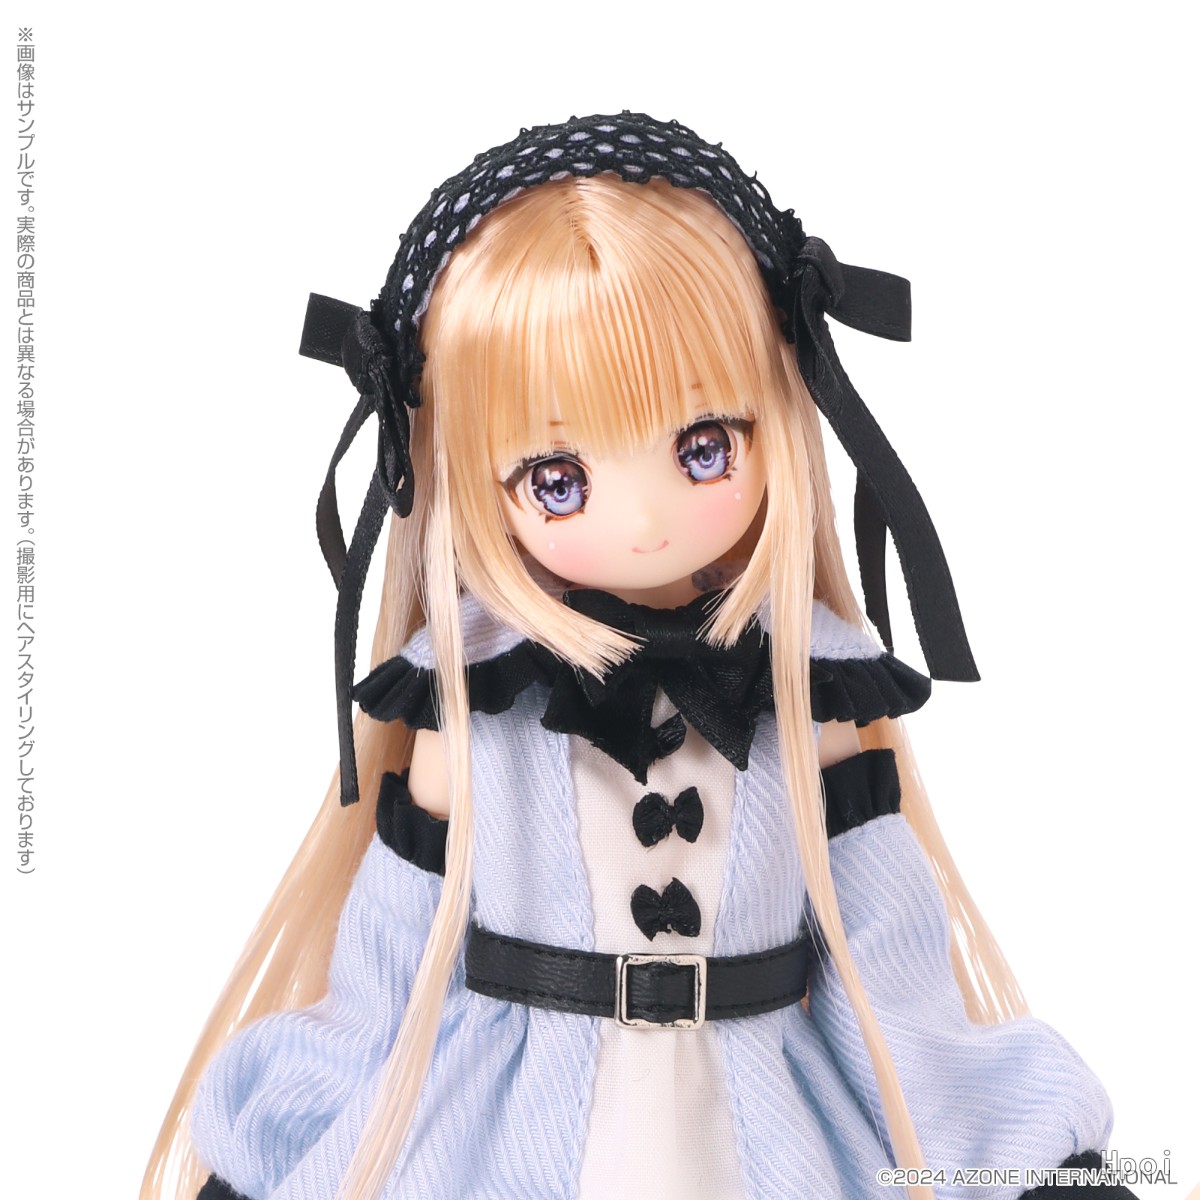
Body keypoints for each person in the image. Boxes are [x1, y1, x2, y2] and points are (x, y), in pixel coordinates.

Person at [143, 113, 1122, 1200]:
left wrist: (1014, 1155)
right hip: (508, 1140)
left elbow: (888, 961)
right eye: (559, 479)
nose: (647, 520)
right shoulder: (472, 692)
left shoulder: (810, 680)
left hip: (764, 1139)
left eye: (704, 448)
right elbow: (390, 963)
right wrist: (290, 1146)